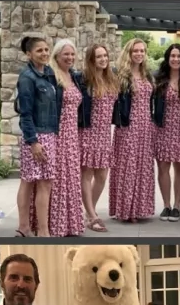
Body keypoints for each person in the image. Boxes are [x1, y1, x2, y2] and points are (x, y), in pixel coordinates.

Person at [14, 36, 59, 238]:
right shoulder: (27, 78)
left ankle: (37, 228)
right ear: (29, 54)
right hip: (36, 137)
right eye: (39, 50)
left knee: (44, 182)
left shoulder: (49, 73)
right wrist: (33, 142)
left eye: (46, 49)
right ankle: (35, 229)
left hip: (50, 134)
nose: (45, 53)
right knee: (30, 181)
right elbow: (25, 113)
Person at [110, 39, 155, 223]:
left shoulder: (148, 75)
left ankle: (140, 208)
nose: (139, 54)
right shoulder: (121, 76)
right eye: (135, 51)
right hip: (128, 126)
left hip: (146, 127)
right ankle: (126, 210)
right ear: (129, 53)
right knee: (127, 167)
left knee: (143, 167)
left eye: (142, 51)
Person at [152, 44, 180, 222]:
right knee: (163, 167)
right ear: (167, 58)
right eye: (172, 56)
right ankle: (166, 205)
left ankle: (177, 205)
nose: (175, 59)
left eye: (179, 56)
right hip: (163, 128)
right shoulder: (159, 79)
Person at [45, 39, 84, 237]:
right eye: (65, 54)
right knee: (59, 179)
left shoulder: (74, 76)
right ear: (57, 56)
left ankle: (71, 223)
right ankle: (57, 224)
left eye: (72, 54)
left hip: (72, 135)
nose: (69, 57)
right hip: (58, 133)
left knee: (71, 178)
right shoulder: (51, 76)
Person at [80, 43, 119, 233]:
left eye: (105, 55)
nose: (103, 59)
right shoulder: (85, 80)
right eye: (98, 57)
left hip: (104, 134)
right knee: (86, 174)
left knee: (102, 175)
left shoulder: (111, 78)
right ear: (91, 60)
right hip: (88, 132)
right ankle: (91, 215)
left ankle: (90, 212)